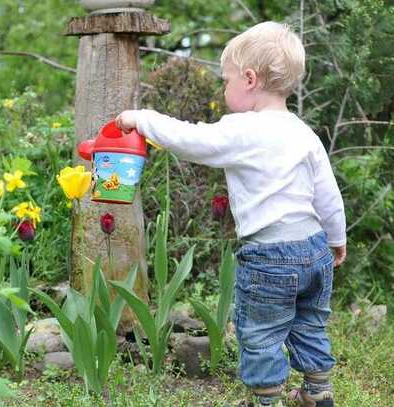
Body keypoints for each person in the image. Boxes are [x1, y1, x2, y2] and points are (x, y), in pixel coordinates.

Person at [115, 21, 346, 407]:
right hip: (314, 249)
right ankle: (317, 389)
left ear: (250, 79)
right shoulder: (304, 133)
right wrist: (336, 239)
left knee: (261, 332)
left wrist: (141, 119)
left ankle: (265, 400)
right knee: (309, 323)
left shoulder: (243, 130)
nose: (224, 90)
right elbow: (329, 196)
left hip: (269, 256)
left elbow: (190, 140)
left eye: (227, 81)